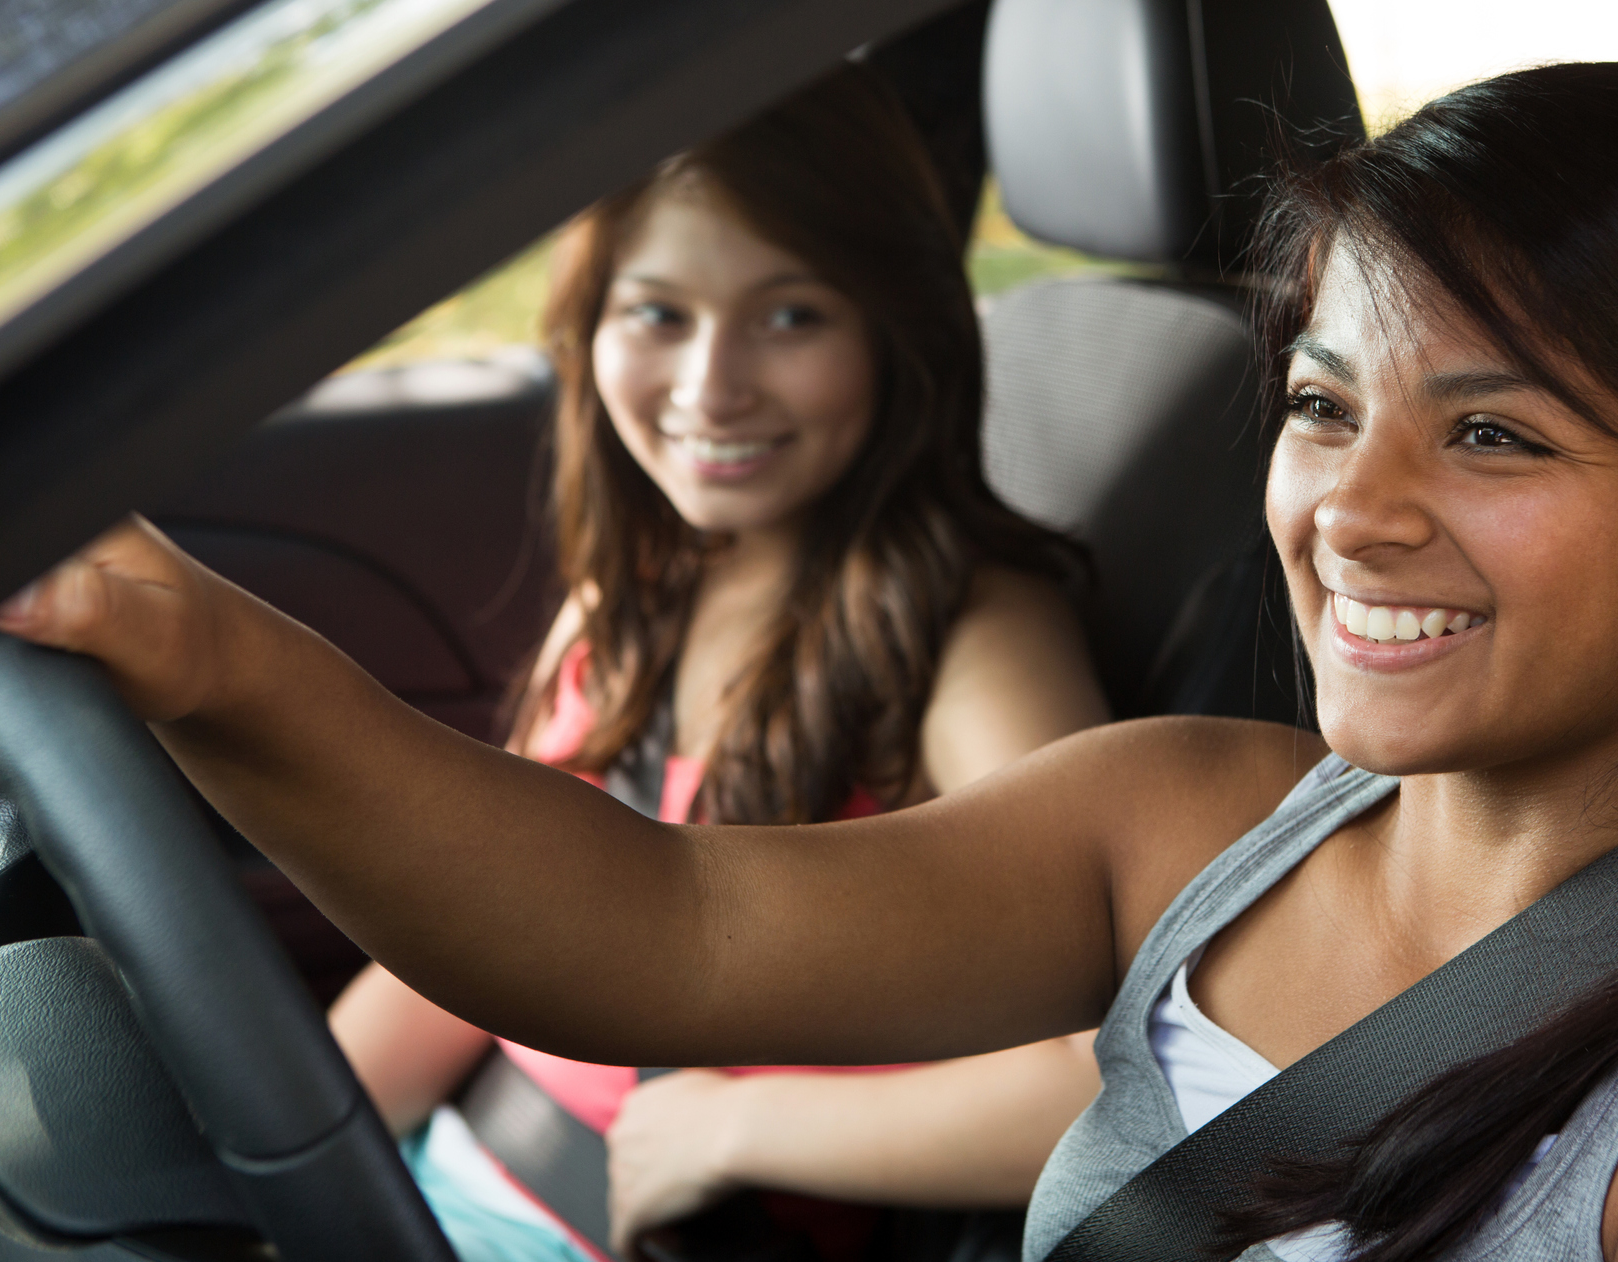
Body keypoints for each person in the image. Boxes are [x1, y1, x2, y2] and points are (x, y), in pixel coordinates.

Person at [14, 61, 1618, 1262]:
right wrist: (186, 639)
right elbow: (657, 922)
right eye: (1320, 403)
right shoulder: (1191, 812)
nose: (1351, 508)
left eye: (1492, 433)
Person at [312, 64, 1108, 1261]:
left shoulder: (967, 634)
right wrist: (289, 1153)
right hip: (435, 1182)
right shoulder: (637, 590)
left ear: (895, 330)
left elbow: (1115, 1078)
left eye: (792, 315)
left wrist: (740, 1121)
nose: (710, 386)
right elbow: (475, 921)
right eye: (659, 314)